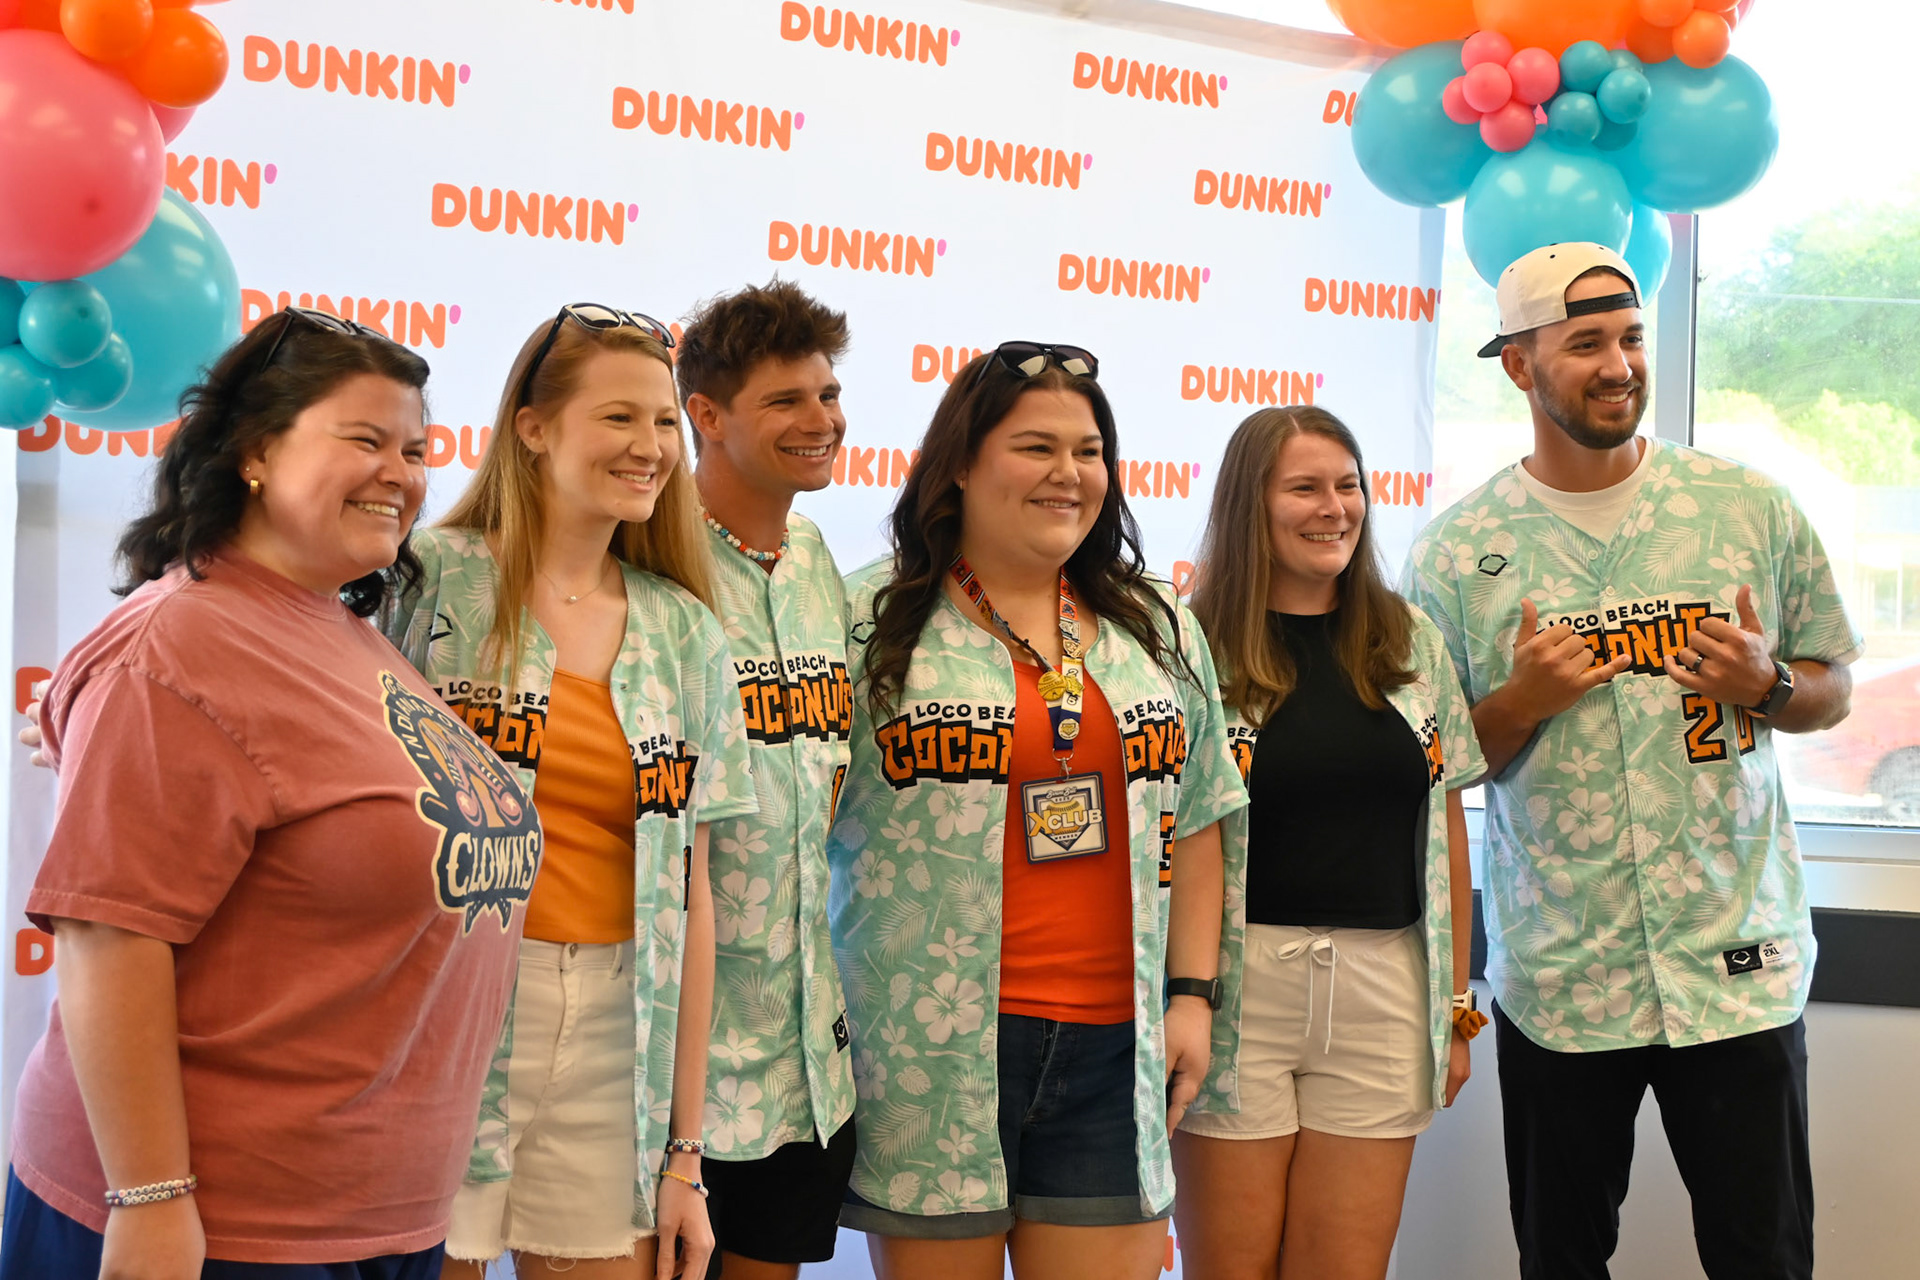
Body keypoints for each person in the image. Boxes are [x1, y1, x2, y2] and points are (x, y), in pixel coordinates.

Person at [0, 309, 534, 1279]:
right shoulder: (175, 644)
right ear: (254, 451)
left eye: (415, 449)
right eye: (365, 439)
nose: (401, 473)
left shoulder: (344, 632)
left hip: (375, 1213)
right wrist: (151, 1201)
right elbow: (109, 937)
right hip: (222, 1225)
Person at [1403, 243, 1859, 1280]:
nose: (1619, 365)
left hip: (1736, 963)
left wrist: (1770, 685)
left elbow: (1832, 683)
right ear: (1519, 365)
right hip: (1565, 978)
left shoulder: (1747, 507)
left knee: (1765, 1259)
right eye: (1585, 344)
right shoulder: (1455, 552)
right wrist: (1518, 703)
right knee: (1561, 1259)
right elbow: (1430, 764)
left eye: (1631, 338)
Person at [827, 343, 1246, 1280]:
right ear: (960, 463)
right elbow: (795, 828)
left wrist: (1191, 996)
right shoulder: (868, 620)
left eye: (1088, 451)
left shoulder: (1156, 625)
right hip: (930, 1049)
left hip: (1115, 1051)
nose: (1069, 473)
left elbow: (1201, 815)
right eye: (1036, 447)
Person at [391, 305, 756, 1280]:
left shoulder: (686, 630)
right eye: (619, 417)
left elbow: (695, 898)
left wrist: (685, 1151)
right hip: (441, 1017)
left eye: (664, 421)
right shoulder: (429, 579)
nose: (651, 446)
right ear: (534, 426)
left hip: (615, 1033)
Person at [1172, 406, 1487, 1280]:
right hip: (1236, 991)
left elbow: (1446, 827)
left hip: (1385, 992)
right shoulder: (1190, 650)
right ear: (1251, 505)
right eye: (1304, 488)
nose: (1334, 507)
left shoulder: (1410, 640)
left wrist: (1457, 1009)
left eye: (1348, 486)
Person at [674, 282, 858, 1279]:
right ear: (706, 414)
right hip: (667, 1062)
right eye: (786, 399)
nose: (820, 419)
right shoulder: (648, 554)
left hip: (801, 1066)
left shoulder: (819, 557)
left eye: (827, 394)